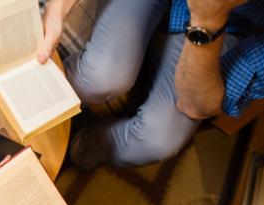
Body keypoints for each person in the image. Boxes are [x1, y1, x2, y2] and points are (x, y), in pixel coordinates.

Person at [38, 0, 264, 168]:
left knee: (159, 139)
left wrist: (207, 23)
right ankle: (36, 101)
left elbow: (195, 106)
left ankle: (79, 149)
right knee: (102, 76)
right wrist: (57, 9)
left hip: (227, 29)